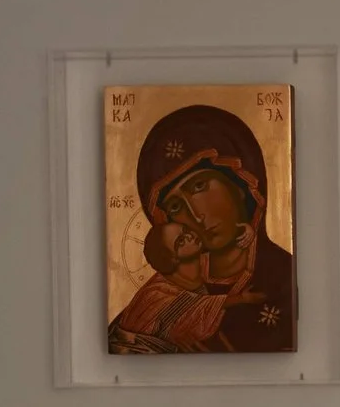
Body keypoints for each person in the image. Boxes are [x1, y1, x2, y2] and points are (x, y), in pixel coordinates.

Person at [108, 101, 297, 354]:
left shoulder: (284, 281)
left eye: (199, 186)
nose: (195, 215)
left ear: (241, 186)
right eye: (175, 206)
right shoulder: (154, 306)